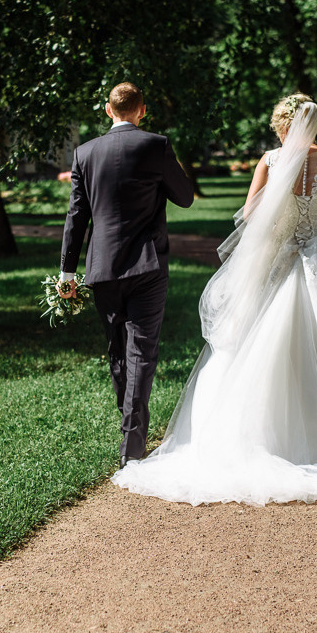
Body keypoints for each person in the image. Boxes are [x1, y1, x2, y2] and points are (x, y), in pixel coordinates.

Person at [111, 95, 317, 505]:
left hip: (280, 261)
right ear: (316, 123)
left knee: (263, 350)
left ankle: (269, 439)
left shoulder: (271, 162)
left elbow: (251, 216)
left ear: (281, 126)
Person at [58, 82, 195, 467]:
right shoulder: (156, 145)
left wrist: (67, 271)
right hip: (147, 264)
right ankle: (131, 444)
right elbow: (185, 196)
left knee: (118, 350)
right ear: (142, 110)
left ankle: (129, 431)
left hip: (102, 267)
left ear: (107, 110)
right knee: (141, 352)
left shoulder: (84, 153)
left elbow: (76, 216)